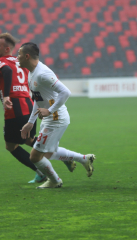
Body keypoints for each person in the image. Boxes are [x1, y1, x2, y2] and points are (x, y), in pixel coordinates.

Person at [0, 33, 76, 184]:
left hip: (15, 104)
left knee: (11, 145)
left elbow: (7, 72)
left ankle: (42, 172)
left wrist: (5, 96)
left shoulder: (0, 62)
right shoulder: (21, 62)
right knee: (29, 139)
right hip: (29, 103)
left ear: (6, 48)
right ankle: (62, 157)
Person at [18, 42, 95, 189]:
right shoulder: (31, 72)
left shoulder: (42, 74)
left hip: (56, 119)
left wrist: (50, 110)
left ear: (27, 56)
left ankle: (55, 181)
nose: (17, 58)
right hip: (51, 118)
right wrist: (30, 122)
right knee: (48, 153)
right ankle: (84, 159)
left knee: (35, 157)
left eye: (19, 55)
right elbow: (38, 99)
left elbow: (65, 92)